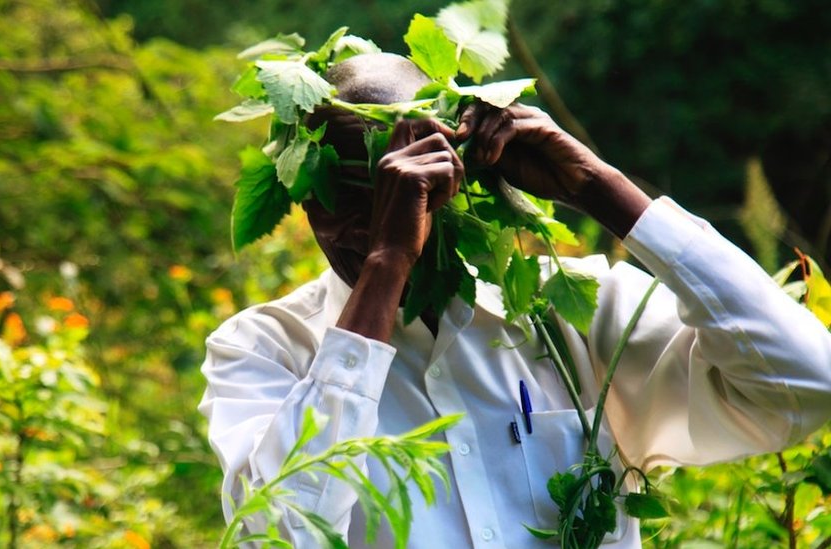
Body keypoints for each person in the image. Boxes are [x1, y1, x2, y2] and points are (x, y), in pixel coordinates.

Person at [199, 53, 831, 548]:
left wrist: (599, 189)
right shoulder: (264, 350)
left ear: (456, 178)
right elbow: (277, 534)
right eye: (333, 191)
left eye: (392, 188)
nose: (361, 222)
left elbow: (808, 382)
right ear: (302, 198)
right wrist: (388, 262)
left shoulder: (578, 318)